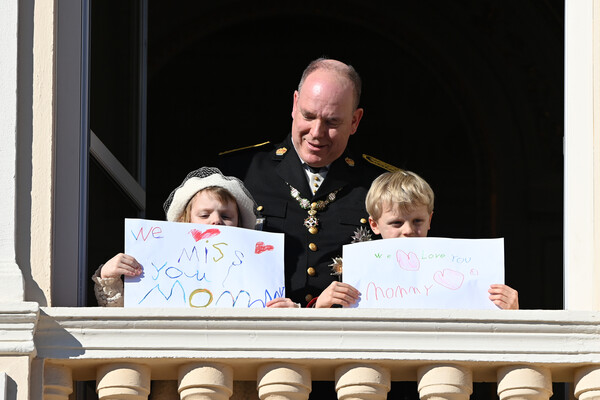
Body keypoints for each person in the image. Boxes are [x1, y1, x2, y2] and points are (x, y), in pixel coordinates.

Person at [219, 58, 393, 308]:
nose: (316, 132)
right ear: (294, 104)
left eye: (332, 122)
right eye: (308, 116)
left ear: (355, 121)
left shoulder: (380, 184)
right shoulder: (238, 173)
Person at [90, 166, 295, 307]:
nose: (215, 221)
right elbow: (124, 318)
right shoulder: (160, 265)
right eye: (204, 215)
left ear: (240, 225)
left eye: (226, 216)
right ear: (184, 222)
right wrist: (109, 277)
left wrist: (288, 314)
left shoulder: (257, 273)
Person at [362, 169, 519, 310]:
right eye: (396, 223)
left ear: (429, 220)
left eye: (417, 221)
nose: (408, 230)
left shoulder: (457, 265)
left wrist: (511, 312)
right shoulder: (361, 272)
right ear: (374, 224)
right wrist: (336, 304)